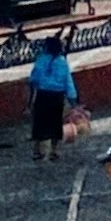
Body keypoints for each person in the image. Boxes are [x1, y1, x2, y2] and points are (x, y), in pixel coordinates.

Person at [26, 33, 78, 161]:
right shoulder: (62, 62)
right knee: (55, 123)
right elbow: (68, 82)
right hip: (57, 96)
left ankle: (36, 150)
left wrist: (30, 98)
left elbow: (34, 79)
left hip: (43, 95)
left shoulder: (41, 60)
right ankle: (54, 151)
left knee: (39, 122)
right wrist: (73, 100)